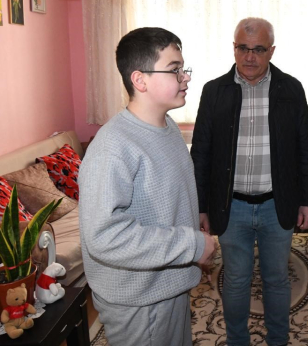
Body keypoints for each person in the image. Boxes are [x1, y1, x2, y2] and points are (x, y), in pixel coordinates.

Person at [79, 27, 217, 346]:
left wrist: (193, 228)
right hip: (140, 301)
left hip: (169, 283)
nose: (185, 77)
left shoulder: (167, 127)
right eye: (174, 69)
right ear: (140, 80)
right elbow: (104, 237)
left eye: (183, 68)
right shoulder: (113, 147)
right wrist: (192, 245)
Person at [191, 17, 308, 346]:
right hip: (230, 206)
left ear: (271, 51)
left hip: (277, 205)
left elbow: (306, 148)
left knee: (276, 279)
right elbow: (201, 153)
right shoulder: (214, 91)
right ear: (233, 48)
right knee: (235, 280)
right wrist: (200, 207)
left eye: (259, 49)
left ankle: (278, 340)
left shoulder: (291, 89)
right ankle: (238, 341)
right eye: (243, 48)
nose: (250, 57)